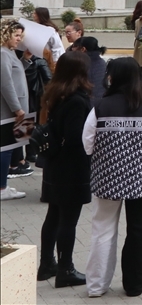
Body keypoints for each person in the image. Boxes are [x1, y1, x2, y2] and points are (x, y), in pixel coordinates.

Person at [83, 57, 142, 298]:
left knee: (103, 228)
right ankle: (134, 284)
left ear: (113, 77)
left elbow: (87, 144)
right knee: (138, 230)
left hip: (107, 177)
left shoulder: (100, 106)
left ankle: (97, 285)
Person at [37, 52, 93, 287]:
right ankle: (65, 268)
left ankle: (46, 263)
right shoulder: (78, 99)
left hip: (53, 164)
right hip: (72, 168)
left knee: (53, 215)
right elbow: (74, 138)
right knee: (68, 219)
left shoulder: (56, 93)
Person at [1, 20, 31, 199]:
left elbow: (15, 74)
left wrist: (25, 61)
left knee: (13, 147)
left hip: (16, 111)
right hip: (11, 112)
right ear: (6, 34)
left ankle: (4, 184)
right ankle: (2, 187)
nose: (19, 39)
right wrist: (17, 109)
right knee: (6, 148)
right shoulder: (3, 54)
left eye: (21, 36)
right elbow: (6, 84)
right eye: (16, 35)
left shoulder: (9, 53)